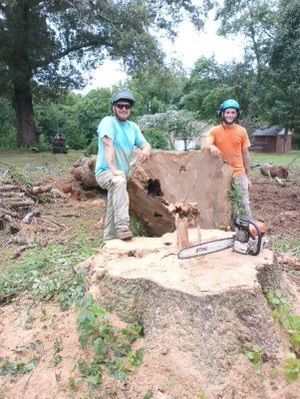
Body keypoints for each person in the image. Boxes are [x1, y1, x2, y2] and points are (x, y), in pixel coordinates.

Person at [95, 88, 151, 241]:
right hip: (105, 172)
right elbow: (108, 144)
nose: (124, 109)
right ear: (114, 107)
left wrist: (146, 149)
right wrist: (113, 169)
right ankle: (122, 227)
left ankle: (109, 241)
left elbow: (145, 144)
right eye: (120, 106)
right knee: (119, 182)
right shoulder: (108, 122)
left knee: (114, 206)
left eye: (127, 106)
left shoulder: (133, 127)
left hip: (121, 175)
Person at [205, 99, 252, 219]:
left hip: (238, 173)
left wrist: (248, 176)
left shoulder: (242, 131)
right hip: (221, 174)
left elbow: (245, 154)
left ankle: (245, 232)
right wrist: (211, 146)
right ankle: (228, 230)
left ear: (237, 114)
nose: (230, 115)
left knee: (243, 204)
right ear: (222, 113)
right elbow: (205, 144)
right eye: (227, 112)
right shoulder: (214, 131)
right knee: (223, 203)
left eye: (233, 112)